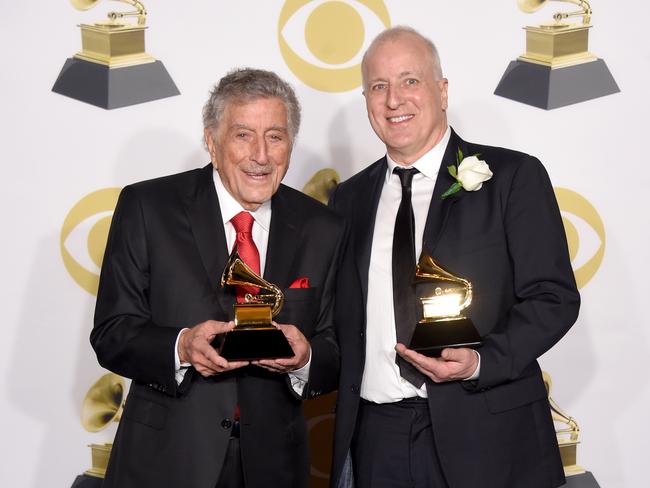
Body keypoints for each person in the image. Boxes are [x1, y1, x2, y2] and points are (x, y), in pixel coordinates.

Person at [329, 26, 580, 488]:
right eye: (378, 86)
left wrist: (482, 361)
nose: (393, 100)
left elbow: (553, 297)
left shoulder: (511, 177)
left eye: (410, 81)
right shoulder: (348, 200)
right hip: (375, 437)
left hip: (488, 431)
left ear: (441, 92)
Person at [91, 68, 346, 488]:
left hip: (275, 468)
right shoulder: (147, 207)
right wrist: (182, 346)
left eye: (276, 136)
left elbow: (337, 347)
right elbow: (112, 333)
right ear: (212, 141)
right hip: (165, 462)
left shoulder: (324, 228)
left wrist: (307, 358)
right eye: (243, 135)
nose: (261, 155)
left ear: (291, 145)